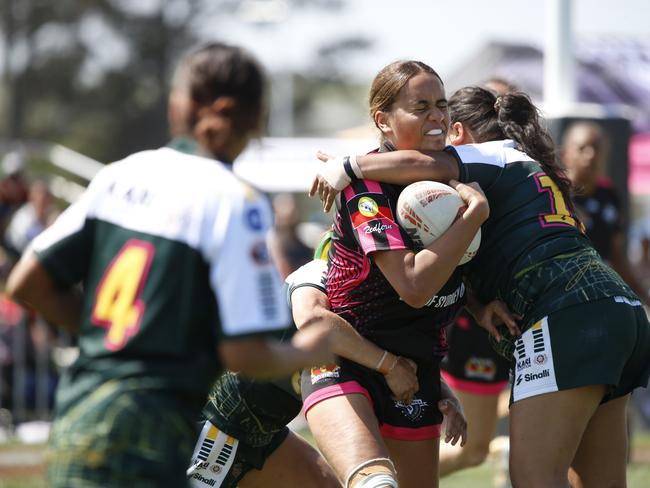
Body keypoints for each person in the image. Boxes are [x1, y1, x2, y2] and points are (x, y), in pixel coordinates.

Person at [5, 41, 332, 488]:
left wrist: (112, 340)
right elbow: (245, 354)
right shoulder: (235, 201)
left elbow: (27, 282)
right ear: (246, 116)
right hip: (153, 426)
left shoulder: (120, 174)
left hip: (79, 414)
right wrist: (311, 350)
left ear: (180, 105)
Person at [313, 85, 650, 488]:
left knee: (535, 478)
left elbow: (425, 164)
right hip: (619, 311)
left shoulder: (490, 154)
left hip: (566, 316)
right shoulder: (530, 169)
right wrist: (477, 304)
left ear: (457, 135)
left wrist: (350, 166)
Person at [303, 60, 502, 488]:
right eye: (421, 107)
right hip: (348, 359)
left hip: (415, 370)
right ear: (383, 120)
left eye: (442, 105)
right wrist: (474, 216)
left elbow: (447, 265)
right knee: (375, 484)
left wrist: (477, 306)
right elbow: (412, 286)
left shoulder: (451, 169)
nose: (437, 116)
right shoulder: (365, 190)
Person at [561, 120, 650, 306]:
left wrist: (644, 296)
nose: (590, 155)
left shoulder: (609, 196)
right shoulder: (555, 195)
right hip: (564, 297)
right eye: (582, 148)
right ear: (565, 154)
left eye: (596, 148)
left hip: (602, 296)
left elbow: (617, 257)